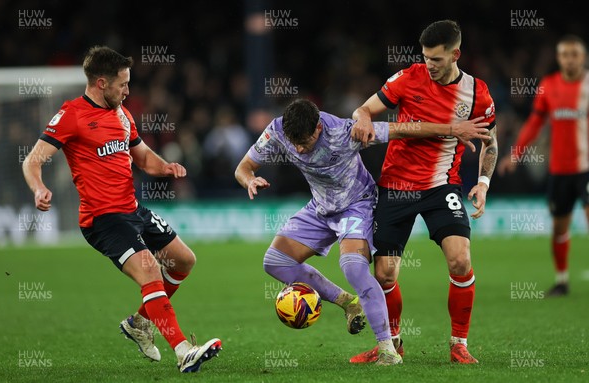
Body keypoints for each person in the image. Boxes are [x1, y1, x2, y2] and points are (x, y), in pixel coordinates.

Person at [235, 98, 489, 365]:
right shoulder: (277, 130)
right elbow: (243, 167)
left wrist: (452, 130)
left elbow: (402, 129)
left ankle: (387, 349)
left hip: (356, 205)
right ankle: (347, 302)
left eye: (305, 142)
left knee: (353, 267)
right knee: (275, 262)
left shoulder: (345, 132)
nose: (298, 148)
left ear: (319, 128)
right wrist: (250, 180)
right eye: (293, 141)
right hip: (320, 208)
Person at [21, 46, 221, 373]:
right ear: (102, 83)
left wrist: (166, 167)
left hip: (132, 209)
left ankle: (139, 322)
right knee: (151, 271)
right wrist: (39, 188)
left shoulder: (122, 115)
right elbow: (33, 160)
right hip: (102, 220)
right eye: (123, 85)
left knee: (184, 260)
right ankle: (184, 350)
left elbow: (143, 158)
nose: (127, 91)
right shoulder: (71, 115)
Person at [349, 20, 498, 364]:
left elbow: (491, 141)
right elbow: (365, 108)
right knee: (384, 273)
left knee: (460, 260)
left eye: (437, 59)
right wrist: (362, 119)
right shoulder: (407, 78)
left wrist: (483, 182)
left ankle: (459, 344)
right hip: (396, 185)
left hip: (441, 186)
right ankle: (393, 343)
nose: (429, 65)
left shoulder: (477, 93)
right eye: (426, 58)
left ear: (455, 54)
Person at [498, 34, 589, 297]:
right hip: (559, 170)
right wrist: (514, 154)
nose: (570, 59)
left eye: (575, 54)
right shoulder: (549, 86)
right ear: (559, 58)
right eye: (565, 54)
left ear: (582, 58)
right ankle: (561, 281)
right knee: (560, 227)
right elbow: (534, 125)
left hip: (586, 168)